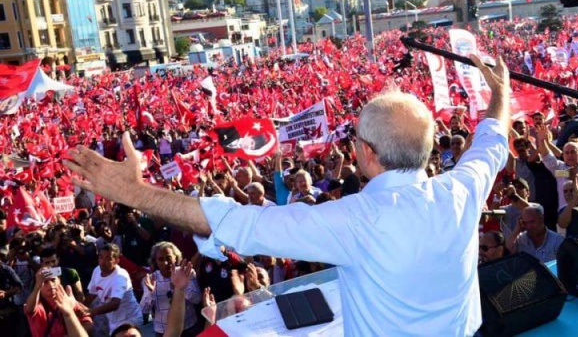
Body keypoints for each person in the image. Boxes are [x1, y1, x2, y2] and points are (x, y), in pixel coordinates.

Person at [65, 54, 511, 336]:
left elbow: (236, 222)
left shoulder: (356, 219)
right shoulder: (462, 188)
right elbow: (492, 139)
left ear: (367, 154)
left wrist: (132, 191)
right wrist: (502, 92)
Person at [141, 242, 201, 337]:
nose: (165, 263)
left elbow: (197, 299)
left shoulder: (186, 273)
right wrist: (150, 293)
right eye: (160, 259)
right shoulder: (150, 279)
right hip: (163, 331)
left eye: (168, 258)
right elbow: (143, 311)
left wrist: (180, 288)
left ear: (175, 258)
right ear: (155, 262)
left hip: (188, 328)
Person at [85, 244, 143, 335]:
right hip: (114, 321)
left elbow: (115, 303)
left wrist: (91, 312)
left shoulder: (120, 276)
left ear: (117, 260)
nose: (103, 261)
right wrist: (80, 308)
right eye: (101, 257)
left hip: (130, 319)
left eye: (108, 258)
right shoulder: (96, 270)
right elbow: (92, 293)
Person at [24, 267, 93, 336]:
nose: (51, 285)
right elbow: (29, 309)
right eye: (45, 282)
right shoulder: (37, 304)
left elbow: (89, 324)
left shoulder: (68, 300)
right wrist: (37, 287)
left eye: (53, 280)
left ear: (59, 281)